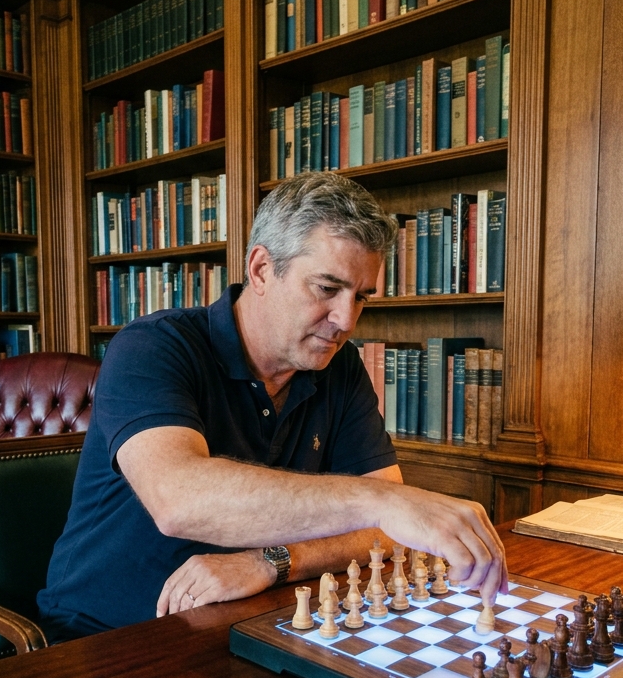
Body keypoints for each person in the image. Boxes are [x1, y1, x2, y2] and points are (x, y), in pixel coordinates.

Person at [37, 172, 508, 640]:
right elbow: (178, 500)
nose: (346, 320)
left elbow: (381, 535)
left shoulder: (337, 367)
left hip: (247, 623)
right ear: (261, 269)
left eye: (361, 297)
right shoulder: (153, 347)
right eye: (326, 288)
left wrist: (270, 561)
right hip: (102, 638)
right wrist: (383, 502)